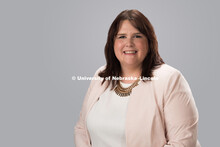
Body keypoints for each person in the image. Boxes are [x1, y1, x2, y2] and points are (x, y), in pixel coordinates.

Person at [74, 9, 200, 147]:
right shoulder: (101, 75)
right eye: (121, 36)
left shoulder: (171, 79)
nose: (129, 43)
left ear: (149, 42)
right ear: (112, 43)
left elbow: (183, 142)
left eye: (137, 36)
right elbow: (81, 130)